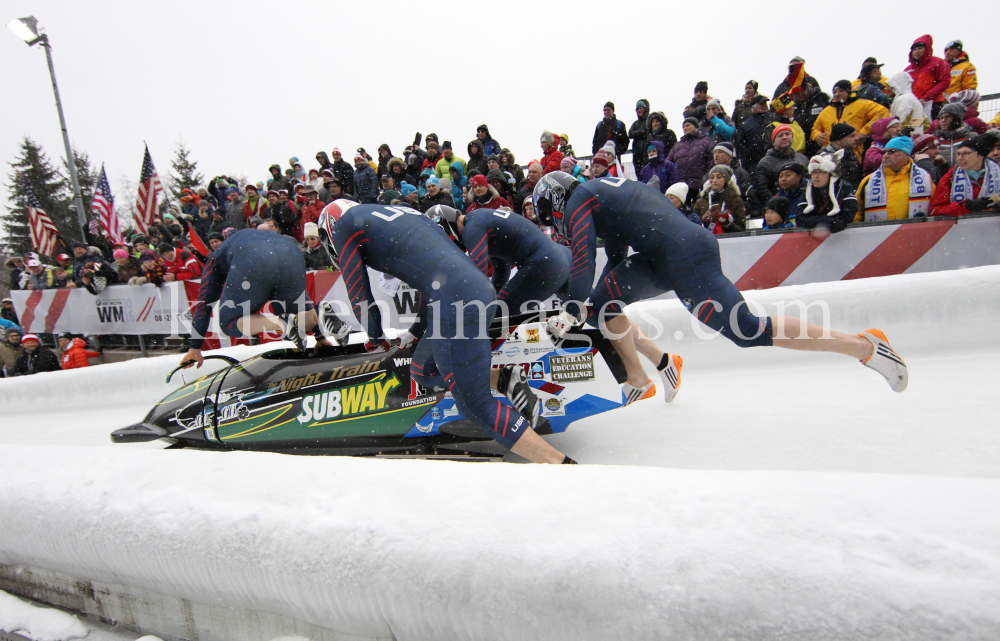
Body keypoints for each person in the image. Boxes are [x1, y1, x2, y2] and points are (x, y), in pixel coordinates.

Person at [533, 171, 909, 407]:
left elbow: (583, 261)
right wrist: (583, 304)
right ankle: (638, 377)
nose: (558, 224)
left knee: (748, 330)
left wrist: (568, 310)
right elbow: (611, 262)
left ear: (556, 200)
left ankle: (864, 345)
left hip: (682, 256)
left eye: (553, 217)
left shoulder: (581, 198)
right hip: (663, 253)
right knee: (604, 307)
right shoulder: (598, 192)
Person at [323, 201, 576, 465]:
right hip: (475, 289)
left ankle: (560, 464)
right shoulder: (410, 214)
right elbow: (434, 278)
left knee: (474, 404)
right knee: (422, 370)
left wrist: (374, 337)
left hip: (454, 299)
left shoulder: (346, 225)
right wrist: (415, 331)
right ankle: (503, 378)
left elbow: (359, 292)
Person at [180, 226, 337, 368]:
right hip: (290, 251)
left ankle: (280, 323)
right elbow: (301, 297)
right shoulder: (250, 239)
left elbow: (203, 304)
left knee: (227, 323)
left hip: (253, 257)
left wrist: (195, 347)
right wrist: (319, 337)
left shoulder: (216, 257)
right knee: (295, 320)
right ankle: (318, 312)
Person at [431, 204, 570, 316]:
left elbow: (476, 274)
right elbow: (501, 269)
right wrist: (493, 296)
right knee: (576, 315)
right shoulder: (480, 218)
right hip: (558, 259)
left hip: (544, 263)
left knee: (495, 312)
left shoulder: (472, 228)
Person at [855, 137, 934, 222]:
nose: (885, 155)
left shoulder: (925, 178)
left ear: (906, 154)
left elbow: (933, 209)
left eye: (891, 152)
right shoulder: (868, 180)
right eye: (884, 152)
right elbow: (857, 213)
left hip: (913, 233)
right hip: (878, 234)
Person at [812, 80, 890, 162]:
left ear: (848, 91)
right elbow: (815, 128)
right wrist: (817, 135)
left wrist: (865, 131)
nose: (837, 94)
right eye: (834, 92)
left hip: (853, 152)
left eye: (840, 91)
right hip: (829, 154)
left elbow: (883, 112)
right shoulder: (826, 111)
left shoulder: (862, 104)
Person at [929, 135, 1000, 216]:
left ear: (981, 155)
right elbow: (935, 211)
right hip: (963, 227)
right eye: (958, 154)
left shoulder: (997, 172)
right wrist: (966, 206)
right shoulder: (950, 177)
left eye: (966, 153)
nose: (960, 158)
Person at [795, 150, 858, 233]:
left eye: (821, 172)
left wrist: (816, 220)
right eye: (813, 172)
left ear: (832, 174)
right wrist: (828, 221)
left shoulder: (845, 188)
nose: (815, 176)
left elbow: (847, 216)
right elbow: (800, 219)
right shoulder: (807, 190)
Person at [754, 125, 809, 209]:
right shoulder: (765, 163)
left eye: (787, 134)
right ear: (773, 142)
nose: (784, 137)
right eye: (780, 135)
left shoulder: (802, 158)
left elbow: (808, 182)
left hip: (802, 205)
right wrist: (777, 206)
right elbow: (762, 190)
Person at [667, 118, 714, 202]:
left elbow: (711, 162)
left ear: (695, 126)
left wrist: (707, 179)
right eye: (683, 126)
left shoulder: (705, 142)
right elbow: (669, 164)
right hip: (681, 186)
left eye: (688, 125)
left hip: (699, 184)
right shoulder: (677, 145)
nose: (685, 128)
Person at [905, 36, 950, 120]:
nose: (916, 51)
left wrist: (927, 97)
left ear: (927, 49)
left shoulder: (938, 63)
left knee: (930, 128)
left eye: (920, 48)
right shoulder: (908, 69)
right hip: (914, 105)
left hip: (933, 104)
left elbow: (945, 81)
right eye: (914, 49)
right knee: (916, 129)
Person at [693, 165, 746, 234]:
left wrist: (728, 224)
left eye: (718, 177)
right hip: (707, 240)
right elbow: (692, 228)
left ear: (726, 180)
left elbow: (741, 229)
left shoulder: (736, 200)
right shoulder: (701, 202)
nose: (714, 180)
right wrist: (702, 220)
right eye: (712, 177)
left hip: (730, 241)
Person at [735, 95, 772, 173]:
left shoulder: (773, 120)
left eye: (765, 103)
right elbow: (739, 145)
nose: (765, 106)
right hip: (753, 163)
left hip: (770, 161)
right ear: (753, 107)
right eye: (761, 104)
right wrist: (748, 156)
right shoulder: (746, 124)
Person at [823, 124, 863, 190]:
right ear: (838, 140)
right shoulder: (825, 156)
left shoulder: (850, 153)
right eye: (852, 136)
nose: (857, 138)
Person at [630, 99, 651, 175]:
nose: (639, 110)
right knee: (639, 174)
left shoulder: (650, 121)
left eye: (641, 108)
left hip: (648, 152)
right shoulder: (636, 123)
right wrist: (640, 133)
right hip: (637, 153)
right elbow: (630, 134)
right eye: (638, 109)